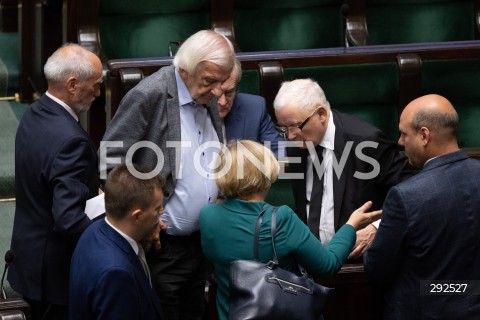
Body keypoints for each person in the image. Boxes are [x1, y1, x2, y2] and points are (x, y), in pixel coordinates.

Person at [100, 30, 235, 320]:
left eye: (222, 82)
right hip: (163, 247)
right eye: (210, 81)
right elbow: (110, 161)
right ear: (185, 70)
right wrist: (143, 218)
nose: (217, 93)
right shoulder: (149, 95)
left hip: (203, 243)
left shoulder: (207, 90)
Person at [199, 139, 382, 320]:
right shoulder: (281, 218)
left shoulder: (207, 216)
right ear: (264, 173)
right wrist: (351, 225)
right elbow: (328, 265)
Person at [363, 94, 480, 319]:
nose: (399, 142)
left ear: (424, 135)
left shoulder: (406, 196)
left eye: (404, 134)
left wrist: (373, 235)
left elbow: (378, 270)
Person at [8, 43, 102, 320]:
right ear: (72, 85)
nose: (98, 92)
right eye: (95, 85)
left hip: (29, 259)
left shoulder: (34, 113)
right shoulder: (71, 140)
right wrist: (110, 238)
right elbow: (68, 219)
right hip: (55, 277)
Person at [273, 78, 413, 259]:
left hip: (359, 264)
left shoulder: (366, 141)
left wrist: (378, 227)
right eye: (283, 128)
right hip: (312, 264)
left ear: (321, 114)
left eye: (295, 126)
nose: (290, 136)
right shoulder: (297, 143)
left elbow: (412, 194)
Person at [69, 164, 165, 320]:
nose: (162, 212)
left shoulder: (94, 230)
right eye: (157, 208)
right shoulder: (117, 274)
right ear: (137, 217)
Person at [217, 58, 286, 157]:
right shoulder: (191, 113)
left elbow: (280, 154)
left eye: (229, 93)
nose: (223, 102)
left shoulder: (254, 107)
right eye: (216, 95)